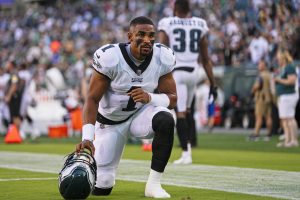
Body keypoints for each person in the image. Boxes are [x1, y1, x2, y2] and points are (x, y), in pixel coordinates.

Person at [75, 16, 177, 198]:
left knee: (166, 119)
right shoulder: (110, 58)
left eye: (151, 35)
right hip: (110, 121)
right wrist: (88, 137)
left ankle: (153, 185)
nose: (147, 40)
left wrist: (150, 97)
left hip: (140, 115)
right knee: (103, 186)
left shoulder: (163, 57)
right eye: (141, 35)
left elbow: (173, 98)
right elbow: (91, 99)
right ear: (130, 36)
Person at [158, 0, 217, 164]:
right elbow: (206, 59)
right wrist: (213, 83)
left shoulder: (167, 22)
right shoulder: (200, 24)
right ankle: (189, 147)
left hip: (179, 72)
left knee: (180, 113)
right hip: (195, 72)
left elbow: (161, 50)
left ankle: (186, 153)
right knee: (188, 111)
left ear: (175, 8)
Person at [274, 49, 299, 147]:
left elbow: (292, 81)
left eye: (279, 57)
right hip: (283, 95)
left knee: (290, 118)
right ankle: (287, 140)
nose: (277, 59)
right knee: (284, 119)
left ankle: (294, 140)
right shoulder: (283, 68)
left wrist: (279, 80)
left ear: (283, 57)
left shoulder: (289, 67)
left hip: (289, 95)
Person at [248, 59, 273, 141]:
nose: (259, 66)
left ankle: (256, 134)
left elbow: (257, 86)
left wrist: (252, 91)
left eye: (260, 64)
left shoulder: (261, 75)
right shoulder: (270, 75)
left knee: (258, 116)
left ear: (264, 66)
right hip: (268, 98)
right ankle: (269, 134)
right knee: (268, 117)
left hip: (261, 98)